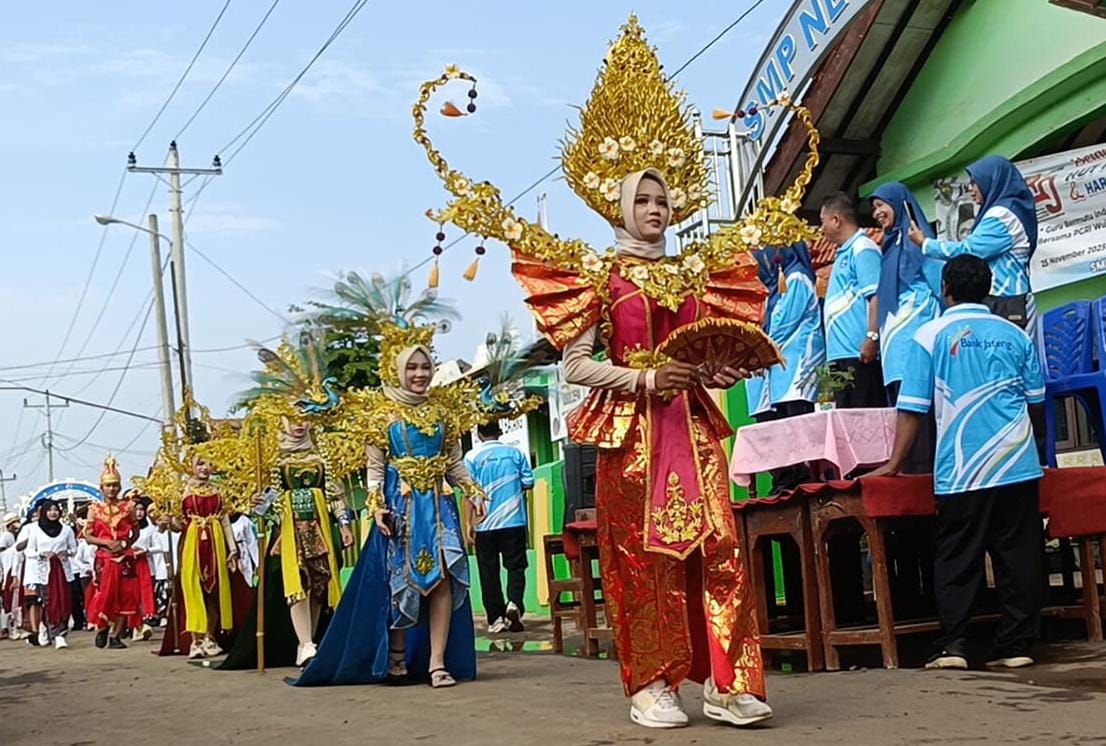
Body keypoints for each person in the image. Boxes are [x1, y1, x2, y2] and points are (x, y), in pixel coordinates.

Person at [413, 16, 801, 728]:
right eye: (642, 200)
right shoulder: (599, 278)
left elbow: (709, 357)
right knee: (643, 562)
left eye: (662, 200)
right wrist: (646, 381)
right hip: (632, 440)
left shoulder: (696, 274)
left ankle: (728, 682)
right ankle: (652, 683)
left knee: (721, 552)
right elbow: (577, 366)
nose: (655, 210)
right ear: (619, 207)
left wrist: (717, 368)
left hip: (696, 434)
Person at [869, 255, 1046, 670]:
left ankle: (955, 646)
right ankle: (1017, 644)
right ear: (987, 290)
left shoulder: (928, 335)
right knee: (1019, 554)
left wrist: (894, 464)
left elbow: (912, 408)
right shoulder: (1014, 333)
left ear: (945, 288)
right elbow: (1037, 401)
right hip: (1018, 462)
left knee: (957, 556)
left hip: (964, 468)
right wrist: (1034, 451)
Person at [296, 310, 485, 688]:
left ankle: (436, 663)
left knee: (443, 579)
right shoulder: (381, 416)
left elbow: (454, 463)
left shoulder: (444, 413)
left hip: (439, 507)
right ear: (398, 370)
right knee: (403, 581)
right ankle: (396, 655)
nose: (419, 374)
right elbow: (376, 470)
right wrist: (376, 505)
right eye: (411, 367)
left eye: (425, 366)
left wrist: (474, 491)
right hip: (400, 508)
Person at [910, 155, 1038, 332]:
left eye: (974, 183)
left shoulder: (1002, 215)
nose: (971, 189)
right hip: (1006, 301)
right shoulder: (1007, 209)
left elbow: (969, 251)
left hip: (1006, 302)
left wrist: (924, 243)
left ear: (991, 180)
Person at [871, 182, 942, 473]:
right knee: (901, 415)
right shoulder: (889, 246)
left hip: (916, 343)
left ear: (899, 203)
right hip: (895, 352)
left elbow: (939, 287)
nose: (876, 213)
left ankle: (923, 482)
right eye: (874, 208)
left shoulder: (918, 241)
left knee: (920, 417)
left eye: (881, 205)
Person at [464, 420, 535, 634]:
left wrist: (468, 523)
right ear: (500, 432)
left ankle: (496, 619)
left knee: (488, 572)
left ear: (478, 434)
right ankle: (514, 603)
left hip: (484, 523)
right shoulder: (516, 453)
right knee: (516, 566)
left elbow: (468, 491)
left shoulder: (471, 457)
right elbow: (528, 482)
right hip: (514, 521)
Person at [821, 192, 886, 408]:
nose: (821, 229)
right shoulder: (842, 253)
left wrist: (872, 338)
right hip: (839, 355)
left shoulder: (863, 247)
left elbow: (876, 296)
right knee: (845, 419)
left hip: (858, 354)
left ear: (836, 220)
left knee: (864, 419)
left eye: (823, 221)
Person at [173, 455, 240, 659]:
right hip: (192, 542)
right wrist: (169, 522)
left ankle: (210, 637)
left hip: (215, 541)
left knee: (214, 591)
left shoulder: (218, 490)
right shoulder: (182, 490)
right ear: (191, 466)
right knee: (194, 589)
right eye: (200, 464)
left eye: (209, 464)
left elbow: (225, 521)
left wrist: (233, 549)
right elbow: (177, 523)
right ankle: (196, 640)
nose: (205, 468)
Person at [85, 455, 141, 649]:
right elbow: (88, 535)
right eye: (108, 486)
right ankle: (102, 626)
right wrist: (106, 543)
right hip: (105, 557)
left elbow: (136, 531)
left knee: (126, 595)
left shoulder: (128, 507)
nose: (112, 489)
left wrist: (126, 543)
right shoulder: (94, 509)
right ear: (101, 488)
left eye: (115, 485)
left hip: (125, 557)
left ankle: (116, 635)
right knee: (105, 594)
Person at [22, 498, 78, 649]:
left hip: (62, 571)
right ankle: (54, 633)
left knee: (64, 601)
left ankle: (60, 633)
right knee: (49, 602)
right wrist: (42, 554)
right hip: (44, 573)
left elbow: (74, 548)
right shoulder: (35, 530)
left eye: (55, 510)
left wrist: (66, 553)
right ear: (44, 512)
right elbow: (29, 551)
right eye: (50, 510)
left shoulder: (66, 530)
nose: (53, 513)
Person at [229, 512, 259, 585]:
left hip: (243, 551)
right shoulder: (222, 521)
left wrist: (257, 563)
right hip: (230, 553)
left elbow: (251, 542)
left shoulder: (244, 520)